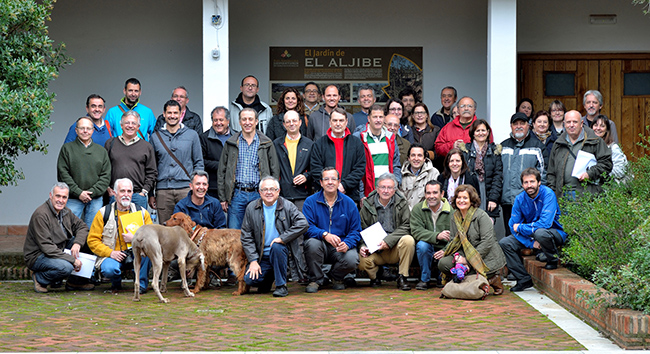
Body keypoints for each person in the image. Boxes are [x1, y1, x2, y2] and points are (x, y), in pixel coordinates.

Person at [499, 168, 567, 292]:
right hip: (532, 236)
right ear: (522, 184)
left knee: (540, 232)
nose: (529, 185)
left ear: (539, 182)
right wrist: (531, 243)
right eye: (526, 182)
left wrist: (521, 227)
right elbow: (512, 226)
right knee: (505, 243)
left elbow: (545, 224)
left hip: (554, 233)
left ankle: (552, 259)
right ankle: (523, 279)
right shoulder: (520, 199)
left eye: (532, 181)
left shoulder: (548, 194)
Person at [241, 176, 309, 297]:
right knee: (250, 280)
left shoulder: (288, 206)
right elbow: (246, 236)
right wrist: (253, 260)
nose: (269, 192)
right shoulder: (251, 208)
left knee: (277, 246)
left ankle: (281, 286)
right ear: (259, 192)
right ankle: (269, 278)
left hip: (282, 253)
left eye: (272, 189)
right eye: (265, 189)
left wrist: (283, 238)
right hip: (262, 256)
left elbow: (303, 223)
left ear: (278, 191)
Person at [436, 184, 506, 295]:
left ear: (471, 200)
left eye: (465, 198)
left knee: (469, 267)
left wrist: (467, 260)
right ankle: (471, 280)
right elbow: (454, 241)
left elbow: (487, 242)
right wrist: (458, 256)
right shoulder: (455, 217)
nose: (461, 201)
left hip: (485, 256)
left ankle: (492, 279)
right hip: (465, 253)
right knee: (443, 263)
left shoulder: (481, 216)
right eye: (459, 198)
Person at [24, 183, 93, 293]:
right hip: (38, 255)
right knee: (65, 267)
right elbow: (47, 247)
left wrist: (77, 243)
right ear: (51, 195)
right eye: (58, 196)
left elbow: (82, 226)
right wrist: (72, 260)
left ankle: (74, 282)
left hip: (59, 248)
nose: (61, 200)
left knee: (89, 243)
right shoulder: (41, 215)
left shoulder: (65, 211)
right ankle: (40, 278)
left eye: (64, 197)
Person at [87, 178, 153, 294]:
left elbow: (153, 239)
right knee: (109, 269)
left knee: (148, 254)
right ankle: (116, 283)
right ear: (114, 193)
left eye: (129, 191)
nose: (126, 195)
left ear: (133, 193)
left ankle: (141, 285)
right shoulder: (103, 213)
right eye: (122, 191)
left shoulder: (142, 212)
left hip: (136, 252)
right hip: (113, 254)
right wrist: (110, 253)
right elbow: (92, 240)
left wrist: (134, 239)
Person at [218, 108, 280, 229]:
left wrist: (272, 193)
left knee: (259, 230)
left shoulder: (266, 143)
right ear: (239, 122)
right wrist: (223, 197)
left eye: (250, 119)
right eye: (244, 119)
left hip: (259, 193)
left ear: (256, 121)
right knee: (234, 232)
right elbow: (222, 171)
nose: (247, 122)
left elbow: (274, 170)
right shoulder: (231, 143)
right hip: (236, 194)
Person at [302, 168, 362, 293]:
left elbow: (356, 231)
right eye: (326, 179)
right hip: (320, 244)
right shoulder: (310, 202)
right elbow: (307, 227)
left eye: (333, 179)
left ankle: (336, 277)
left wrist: (348, 244)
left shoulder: (349, 203)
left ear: (338, 182)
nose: (330, 182)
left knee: (352, 258)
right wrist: (324, 234)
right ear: (321, 182)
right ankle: (316, 279)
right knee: (311, 244)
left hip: (340, 246)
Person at [149, 100, 204, 224]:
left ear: (181, 114)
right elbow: (152, 167)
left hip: (185, 189)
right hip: (163, 191)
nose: (172, 116)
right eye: (169, 113)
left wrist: (196, 187)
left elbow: (199, 163)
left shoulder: (192, 135)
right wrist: (151, 193)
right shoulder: (155, 137)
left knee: (187, 229)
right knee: (165, 229)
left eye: (175, 113)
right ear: (164, 114)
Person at [358, 173, 415, 290]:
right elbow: (362, 228)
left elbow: (406, 226)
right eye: (383, 187)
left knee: (408, 240)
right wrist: (363, 246)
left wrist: (388, 241)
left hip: (395, 247)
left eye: (389, 188)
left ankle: (403, 276)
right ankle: (375, 276)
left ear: (394, 190)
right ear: (377, 189)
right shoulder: (367, 204)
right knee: (361, 259)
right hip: (376, 249)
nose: (386, 190)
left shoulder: (402, 203)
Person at [57, 117, 111, 226]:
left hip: (95, 198)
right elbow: (63, 174)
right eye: (82, 128)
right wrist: (79, 193)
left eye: (88, 128)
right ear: (76, 130)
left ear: (93, 130)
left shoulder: (101, 151)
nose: (85, 131)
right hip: (73, 198)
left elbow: (106, 176)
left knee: (93, 231)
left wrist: (92, 192)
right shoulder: (67, 149)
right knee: (69, 228)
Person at [500, 112, 548, 236]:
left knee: (530, 235)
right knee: (510, 235)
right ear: (511, 126)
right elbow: (498, 173)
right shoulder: (503, 146)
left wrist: (538, 197)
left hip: (531, 201)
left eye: (522, 123)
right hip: (508, 201)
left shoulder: (538, 146)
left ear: (528, 125)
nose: (519, 126)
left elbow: (543, 174)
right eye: (515, 124)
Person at [547, 110, 613, 198]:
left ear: (581, 123)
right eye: (568, 122)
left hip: (588, 195)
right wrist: (553, 194)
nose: (571, 125)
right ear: (564, 124)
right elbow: (551, 172)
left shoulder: (595, 141)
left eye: (575, 122)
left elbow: (606, 163)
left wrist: (590, 173)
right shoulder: (558, 144)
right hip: (563, 196)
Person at [310, 107, 366, 204]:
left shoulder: (356, 143)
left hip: (350, 194)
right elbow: (315, 168)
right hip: (324, 196)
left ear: (346, 122)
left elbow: (360, 168)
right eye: (335, 120)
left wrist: (344, 185)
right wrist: (330, 185)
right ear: (330, 122)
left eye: (341, 120)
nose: (338, 124)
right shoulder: (319, 143)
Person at [104, 110, 157, 210]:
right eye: (127, 123)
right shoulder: (110, 144)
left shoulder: (146, 147)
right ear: (121, 125)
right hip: (115, 195)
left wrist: (144, 191)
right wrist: (108, 188)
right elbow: (103, 168)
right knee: (114, 224)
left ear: (138, 126)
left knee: (138, 225)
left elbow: (152, 172)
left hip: (137, 196)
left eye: (134, 123)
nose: (130, 126)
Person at [410, 180, 452, 290]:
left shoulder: (451, 211)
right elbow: (416, 231)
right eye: (428, 193)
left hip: (444, 248)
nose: (431, 196)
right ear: (425, 194)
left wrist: (446, 250)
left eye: (435, 192)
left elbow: (456, 237)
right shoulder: (418, 209)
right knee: (422, 245)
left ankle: (441, 277)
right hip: (426, 247)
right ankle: (425, 279)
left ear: (442, 194)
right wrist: (437, 236)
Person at [354, 105, 401, 197]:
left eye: (381, 117)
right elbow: (356, 168)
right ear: (368, 118)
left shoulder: (390, 137)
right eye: (375, 117)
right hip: (367, 192)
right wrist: (361, 194)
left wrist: (395, 185)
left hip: (388, 192)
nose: (378, 120)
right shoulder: (359, 137)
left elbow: (396, 165)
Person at [461, 119, 503, 222]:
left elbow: (498, 177)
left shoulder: (494, 151)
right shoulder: (465, 151)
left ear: (488, 132)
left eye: (483, 130)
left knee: (486, 227)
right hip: (470, 194)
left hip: (488, 194)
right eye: (477, 130)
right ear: (473, 133)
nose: (481, 133)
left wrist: (493, 199)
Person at [273, 110, 313, 211]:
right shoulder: (276, 144)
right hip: (282, 196)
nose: (291, 124)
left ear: (300, 122)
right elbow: (272, 168)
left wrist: (306, 176)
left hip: (303, 196)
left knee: (302, 225)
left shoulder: (310, 144)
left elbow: (316, 169)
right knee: (282, 226)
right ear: (283, 124)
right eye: (288, 121)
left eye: (294, 121)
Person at [435, 96, 491, 163]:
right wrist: (452, 146)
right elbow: (438, 149)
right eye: (463, 106)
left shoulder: (482, 128)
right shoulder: (447, 127)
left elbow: (490, 148)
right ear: (458, 110)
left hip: (477, 169)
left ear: (474, 109)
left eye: (470, 106)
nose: (466, 108)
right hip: (454, 168)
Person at [200, 106, 232, 199]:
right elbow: (202, 161)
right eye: (215, 120)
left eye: (221, 120)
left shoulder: (236, 137)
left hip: (233, 187)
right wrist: (222, 165)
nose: (218, 123)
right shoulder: (204, 138)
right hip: (212, 187)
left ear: (228, 121)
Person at [400, 143, 440, 210]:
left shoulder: (433, 173)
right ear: (408, 158)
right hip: (405, 215)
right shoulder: (401, 174)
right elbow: (400, 200)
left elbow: (434, 199)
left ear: (424, 158)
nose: (416, 158)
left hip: (425, 214)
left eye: (419, 155)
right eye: (413, 155)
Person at [592, 114, 628, 181]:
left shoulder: (613, 148)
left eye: (602, 126)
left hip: (609, 187)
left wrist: (602, 173)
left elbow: (621, 170)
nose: (598, 128)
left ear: (607, 130)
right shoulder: (587, 146)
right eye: (595, 125)